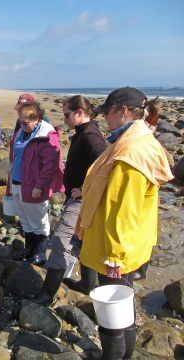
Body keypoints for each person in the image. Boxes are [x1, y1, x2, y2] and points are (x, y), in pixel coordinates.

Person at [73, 87, 173, 360]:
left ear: (124, 111)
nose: (105, 118)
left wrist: (114, 256)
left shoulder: (132, 153)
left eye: (108, 113)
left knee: (112, 310)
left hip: (115, 249)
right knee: (123, 305)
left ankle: (114, 357)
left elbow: (124, 211)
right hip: (126, 244)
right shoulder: (133, 143)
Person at [26, 95, 106, 306]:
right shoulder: (83, 132)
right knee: (85, 241)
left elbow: (105, 163)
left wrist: (85, 190)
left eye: (67, 115)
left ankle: (47, 293)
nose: (65, 120)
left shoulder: (90, 134)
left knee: (61, 241)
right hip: (82, 199)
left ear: (80, 112)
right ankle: (88, 284)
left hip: (81, 201)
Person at [7, 101, 63, 266]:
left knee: (38, 220)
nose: (22, 125)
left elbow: (50, 165)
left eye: (26, 122)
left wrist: (40, 186)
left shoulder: (45, 136)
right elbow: (14, 158)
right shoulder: (20, 133)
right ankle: (28, 249)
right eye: (20, 121)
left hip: (34, 185)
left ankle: (40, 253)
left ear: (37, 119)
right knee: (24, 217)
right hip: (17, 182)